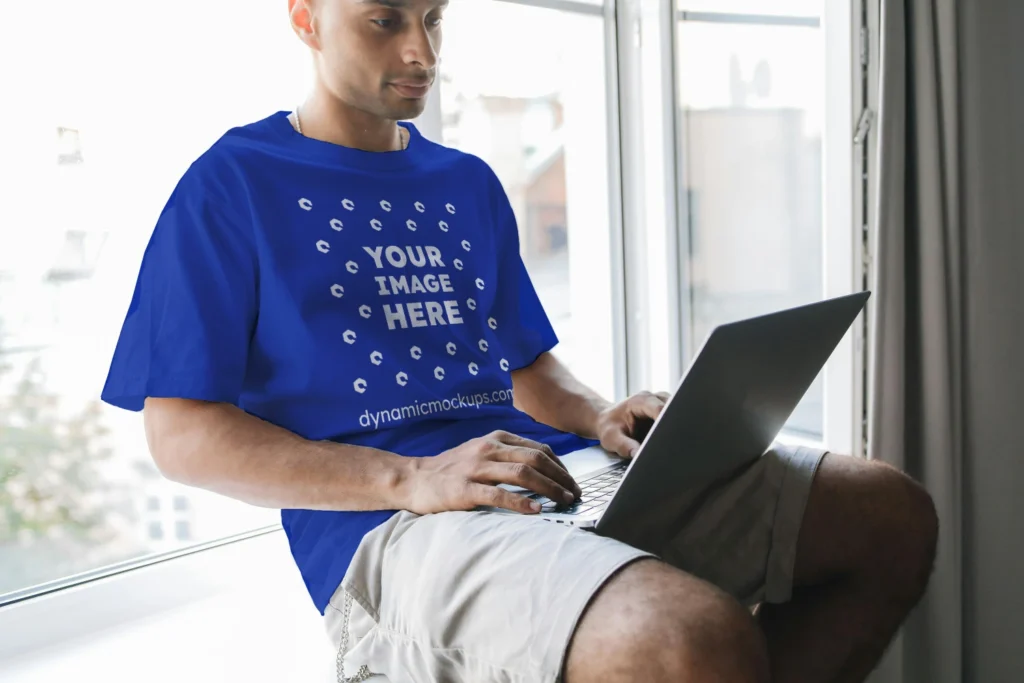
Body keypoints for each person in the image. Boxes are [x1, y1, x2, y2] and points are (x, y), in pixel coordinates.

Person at [100, 1, 939, 681]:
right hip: (389, 526)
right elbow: (182, 435)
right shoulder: (231, 185)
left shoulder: (463, 181)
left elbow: (528, 365)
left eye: (434, 18)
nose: (421, 51)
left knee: (887, 515)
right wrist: (414, 476)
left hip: (544, 473)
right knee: (693, 639)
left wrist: (600, 414)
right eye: (385, 20)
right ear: (305, 18)